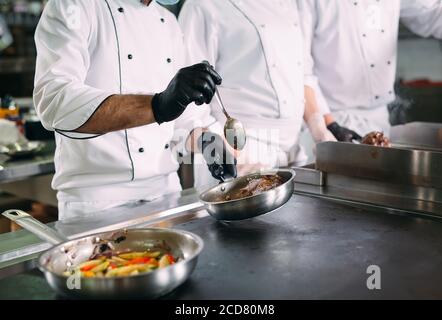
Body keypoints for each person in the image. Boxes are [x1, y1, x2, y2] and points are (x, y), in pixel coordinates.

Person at [33, 0, 235, 220]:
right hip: (96, 203)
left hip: (166, 193)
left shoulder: (168, 22)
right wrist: (157, 105)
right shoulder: (75, 5)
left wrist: (205, 140)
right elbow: (55, 101)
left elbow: (181, 119)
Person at [178, 0, 336, 185]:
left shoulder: (290, 3)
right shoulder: (201, 6)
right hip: (240, 160)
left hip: (294, 156)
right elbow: (188, 105)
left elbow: (303, 74)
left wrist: (318, 127)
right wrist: (228, 151)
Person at [300, 0, 442, 139]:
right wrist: (328, 124)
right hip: (329, 119)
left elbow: (434, 14)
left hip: (378, 120)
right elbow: (300, 67)